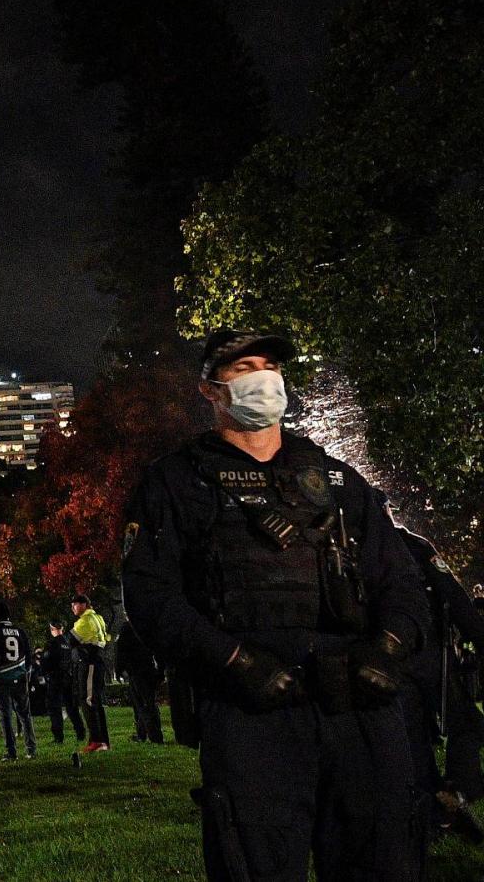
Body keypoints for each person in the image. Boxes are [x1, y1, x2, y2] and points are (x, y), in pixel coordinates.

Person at [122, 329, 428, 881]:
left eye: (269, 365)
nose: (262, 378)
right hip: (250, 711)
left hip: (358, 705)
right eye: (243, 369)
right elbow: (150, 598)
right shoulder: (175, 481)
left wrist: (388, 648)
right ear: (209, 389)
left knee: (384, 858)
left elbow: (401, 583)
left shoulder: (338, 481)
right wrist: (232, 661)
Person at [391, 517, 484, 852]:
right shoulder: (414, 545)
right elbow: (454, 596)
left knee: (413, 739)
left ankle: (433, 815)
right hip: (428, 654)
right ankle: (456, 795)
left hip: (389, 658)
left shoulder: (358, 545)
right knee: (467, 723)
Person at [0, 601, 37, 761]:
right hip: (20, 676)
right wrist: (27, 674)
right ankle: (31, 748)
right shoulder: (19, 630)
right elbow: (28, 655)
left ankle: (11, 751)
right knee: (25, 714)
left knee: (5, 715)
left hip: (1, 678)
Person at [67, 594, 112, 752]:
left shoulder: (85, 620)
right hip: (97, 660)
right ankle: (103, 740)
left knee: (88, 700)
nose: (73, 608)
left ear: (84, 604)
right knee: (96, 701)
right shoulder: (98, 617)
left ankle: (96, 740)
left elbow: (70, 640)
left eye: (75, 604)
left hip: (89, 662)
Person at [116, 615, 165, 744]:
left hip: (136, 671)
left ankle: (154, 736)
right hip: (149, 670)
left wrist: (119, 670)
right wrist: (160, 672)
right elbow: (159, 650)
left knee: (142, 705)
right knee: (148, 703)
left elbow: (120, 650)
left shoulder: (127, 628)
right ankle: (143, 734)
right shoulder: (150, 627)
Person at [40, 620, 86, 744]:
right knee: (72, 707)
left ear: (52, 629)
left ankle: (58, 737)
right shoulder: (68, 643)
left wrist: (43, 669)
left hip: (55, 679)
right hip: (68, 678)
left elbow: (45, 662)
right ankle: (80, 732)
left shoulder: (52, 644)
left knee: (54, 708)